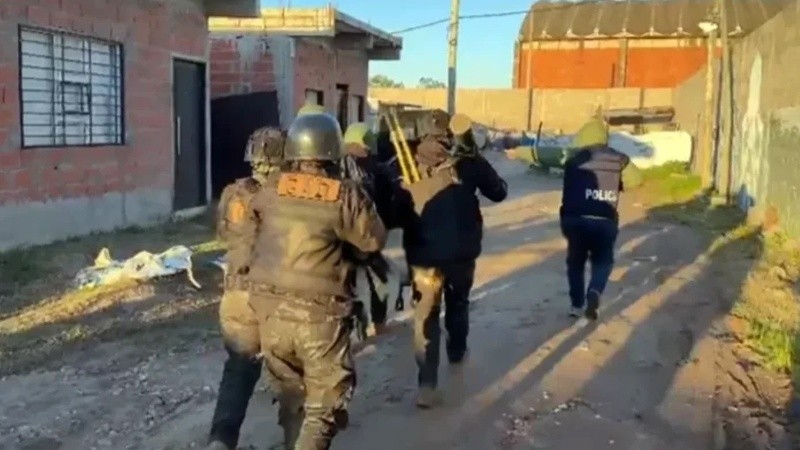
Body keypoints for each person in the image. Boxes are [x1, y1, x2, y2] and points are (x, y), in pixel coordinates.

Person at [246, 112, 387, 450]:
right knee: (324, 407)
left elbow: (253, 231)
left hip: (268, 312)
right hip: (318, 316)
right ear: (332, 151)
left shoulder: (270, 188)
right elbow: (373, 240)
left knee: (293, 396)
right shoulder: (343, 194)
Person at [394, 113, 508, 408]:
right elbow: (499, 192)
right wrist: (476, 158)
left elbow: (390, 211)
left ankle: (427, 384)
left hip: (424, 258)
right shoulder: (468, 163)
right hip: (460, 255)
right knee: (458, 303)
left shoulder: (403, 166)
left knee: (426, 315)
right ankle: (456, 352)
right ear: (450, 133)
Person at [207, 127, 286, 450]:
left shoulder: (233, 194)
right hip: (276, 295)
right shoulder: (287, 195)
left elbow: (225, 236)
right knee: (292, 371)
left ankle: (220, 441)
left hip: (236, 293)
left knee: (238, 372)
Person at [559, 117, 629, 321]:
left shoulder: (574, 160)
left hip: (576, 219)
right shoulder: (618, 159)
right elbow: (637, 179)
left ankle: (576, 305)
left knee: (576, 263)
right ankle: (595, 292)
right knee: (603, 261)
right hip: (605, 220)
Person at [340, 122, 399, 337]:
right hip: (362, 236)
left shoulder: (333, 160)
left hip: (336, 239)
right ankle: (379, 324)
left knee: (344, 286)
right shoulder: (369, 166)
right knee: (380, 280)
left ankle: (349, 330)